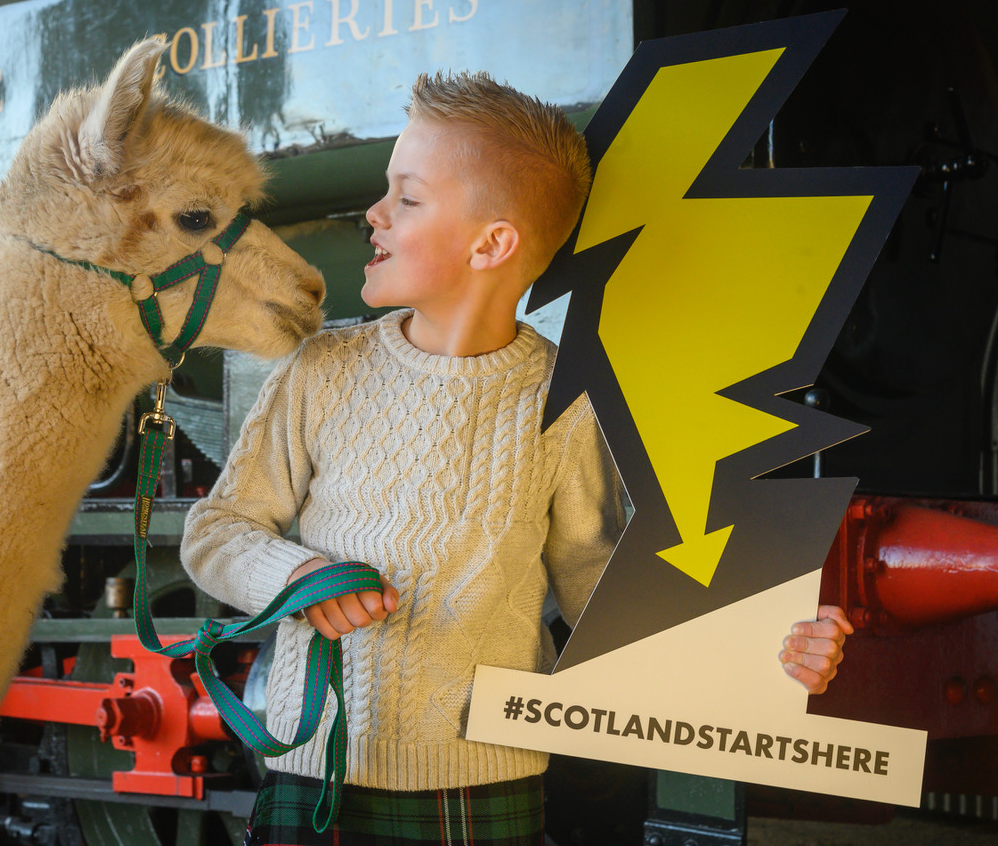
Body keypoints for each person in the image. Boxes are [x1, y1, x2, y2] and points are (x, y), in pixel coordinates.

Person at [180, 71, 852, 846]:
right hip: (312, 776)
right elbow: (216, 531)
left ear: (492, 242)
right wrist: (294, 578)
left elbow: (598, 594)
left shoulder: (564, 401)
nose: (374, 215)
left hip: (486, 785)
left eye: (407, 197)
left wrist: (760, 648)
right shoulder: (317, 372)